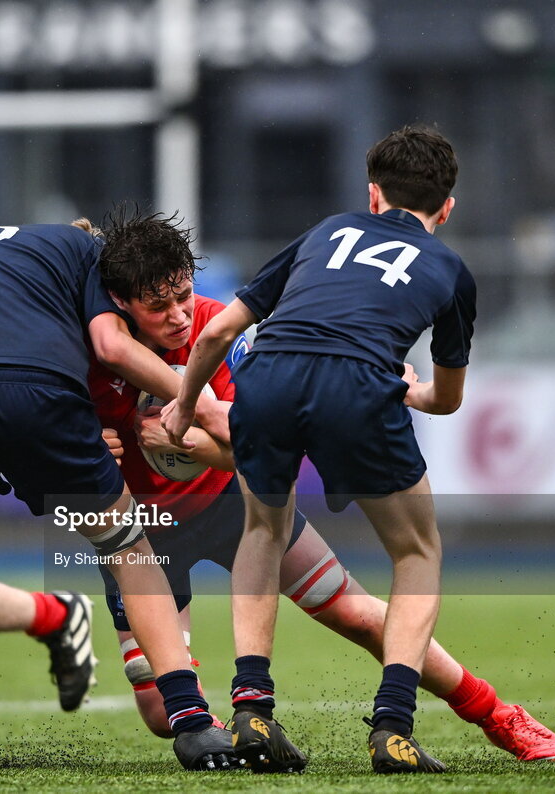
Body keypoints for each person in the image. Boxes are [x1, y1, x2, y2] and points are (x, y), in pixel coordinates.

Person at [89, 239, 555, 767]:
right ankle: (238, 737)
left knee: (358, 615)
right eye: (159, 307)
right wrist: (96, 442)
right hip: (144, 531)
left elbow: (256, 452)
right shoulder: (94, 350)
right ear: (121, 304)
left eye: (183, 295)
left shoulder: (215, 326)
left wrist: (187, 440)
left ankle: (497, 714)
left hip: (232, 507)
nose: (180, 316)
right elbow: (67, 446)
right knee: (160, 709)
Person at [163, 125, 480, 773]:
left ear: (373, 197)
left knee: (262, 529)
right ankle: (393, 727)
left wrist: (185, 401)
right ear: (445, 209)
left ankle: (251, 709)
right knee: (417, 551)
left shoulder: (326, 230)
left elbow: (219, 330)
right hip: (358, 385)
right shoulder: (451, 269)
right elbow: (446, 400)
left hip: (270, 372)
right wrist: (412, 393)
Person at [0, 216, 236, 771]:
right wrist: (197, 405)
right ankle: (193, 721)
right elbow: (109, 344)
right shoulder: (87, 251)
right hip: (36, 395)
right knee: (129, 549)